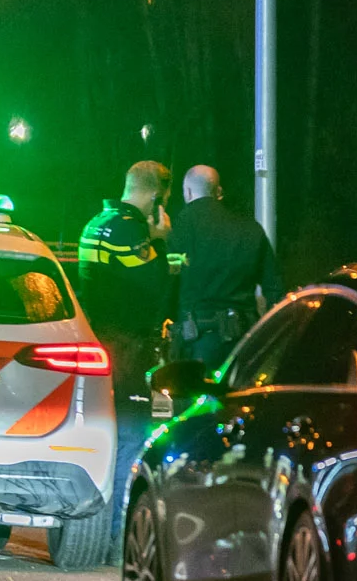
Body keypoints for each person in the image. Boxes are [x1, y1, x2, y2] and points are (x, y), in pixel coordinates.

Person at [77, 159, 175, 476]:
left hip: (99, 340)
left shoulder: (98, 221)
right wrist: (159, 238)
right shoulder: (127, 231)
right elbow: (155, 282)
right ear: (157, 197)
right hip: (127, 349)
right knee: (132, 438)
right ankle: (117, 519)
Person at [170, 162, 281, 373]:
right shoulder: (250, 228)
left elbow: (169, 281)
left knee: (197, 404)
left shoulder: (180, 226)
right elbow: (273, 287)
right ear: (218, 192)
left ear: (187, 192)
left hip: (196, 340)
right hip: (244, 341)